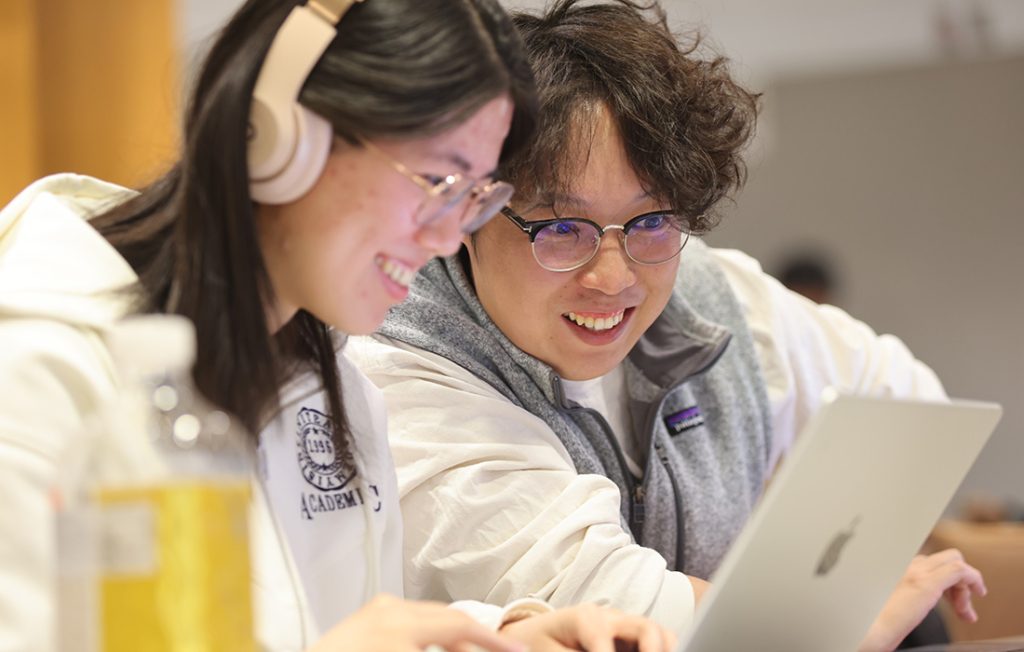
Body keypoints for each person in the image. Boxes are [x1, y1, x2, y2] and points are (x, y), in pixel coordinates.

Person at [0, 1, 674, 650]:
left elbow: (323, 627)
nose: (446, 239)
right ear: (281, 139)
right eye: (436, 182)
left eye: (472, 198)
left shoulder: (330, 381)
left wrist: (497, 636)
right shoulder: (38, 366)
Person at [347, 1, 986, 650]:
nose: (613, 276)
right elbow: (625, 618)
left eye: (651, 221)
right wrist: (835, 623)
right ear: (469, 212)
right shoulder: (402, 373)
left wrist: (802, 556)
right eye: (561, 228)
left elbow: (917, 412)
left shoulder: (710, 295)